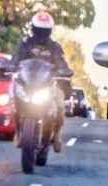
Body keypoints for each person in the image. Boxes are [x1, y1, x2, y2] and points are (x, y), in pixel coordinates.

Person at [11, 11, 73, 152]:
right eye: (39, 29)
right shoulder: (25, 43)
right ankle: (17, 131)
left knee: (59, 105)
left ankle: (56, 134)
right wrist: (9, 66)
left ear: (49, 30)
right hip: (28, 82)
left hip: (48, 83)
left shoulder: (55, 47)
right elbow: (16, 58)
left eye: (44, 30)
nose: (41, 33)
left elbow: (60, 62)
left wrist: (64, 71)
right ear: (33, 28)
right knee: (14, 102)